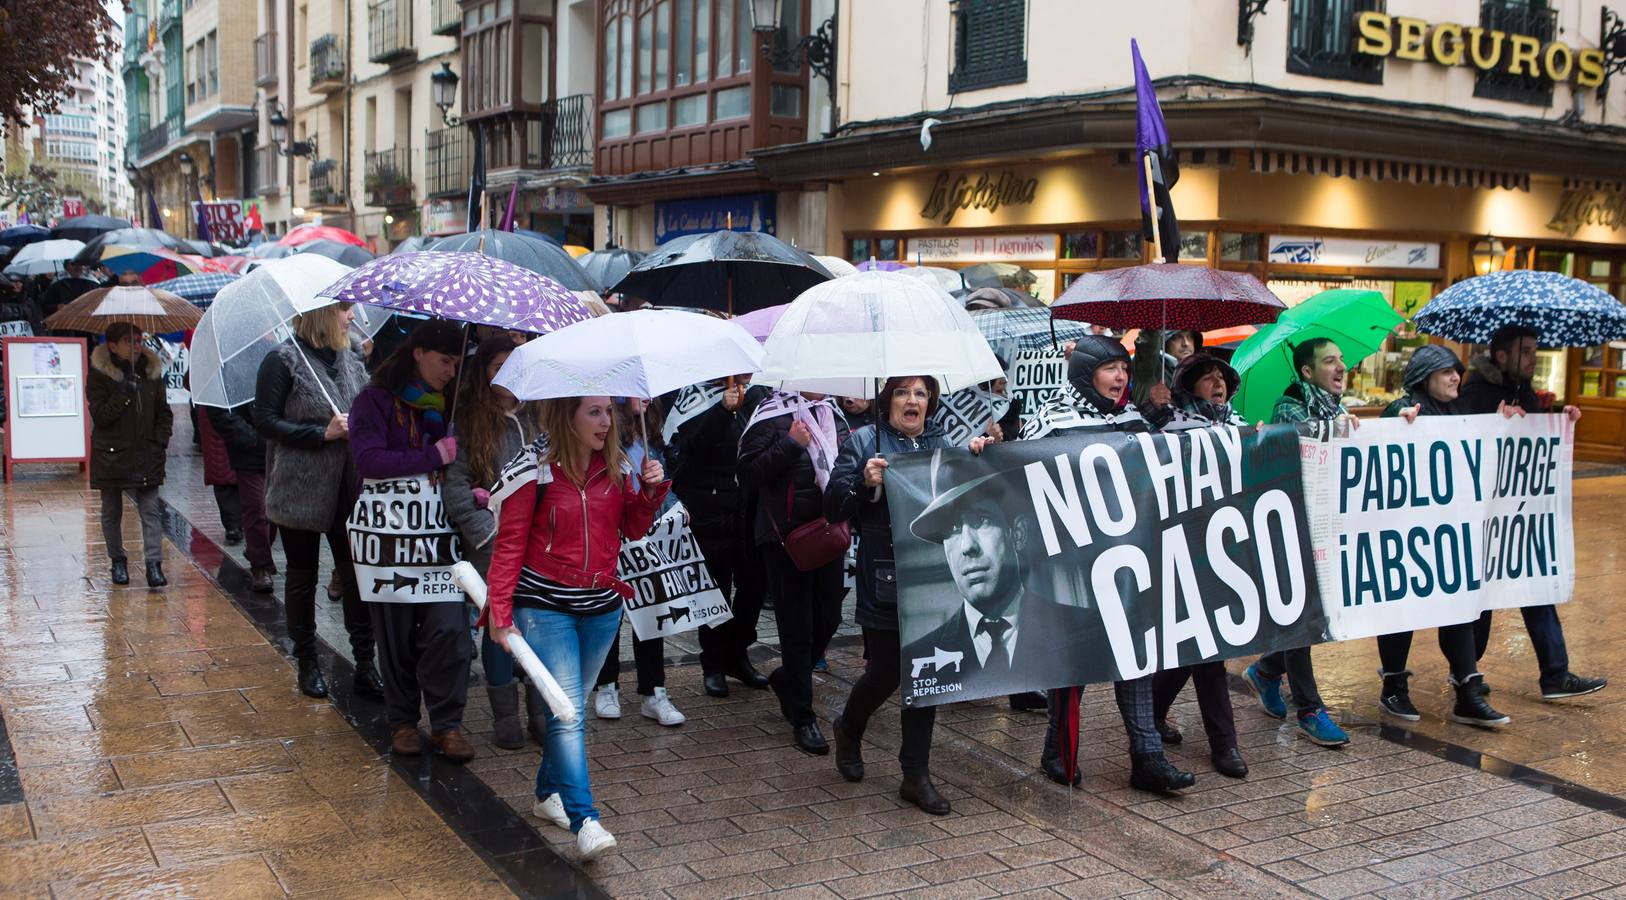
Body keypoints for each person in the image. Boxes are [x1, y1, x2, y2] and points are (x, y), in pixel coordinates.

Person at [485, 396, 669, 862]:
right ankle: (585, 820)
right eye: (594, 412)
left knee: (570, 710)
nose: (607, 421)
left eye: (609, 411)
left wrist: (648, 493)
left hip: (602, 604)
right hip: (544, 604)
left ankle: (548, 796)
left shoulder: (620, 465)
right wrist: (498, 614)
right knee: (567, 714)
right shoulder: (534, 470)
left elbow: (633, 529)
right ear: (567, 414)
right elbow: (508, 546)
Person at [1020, 334, 1195, 793]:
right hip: (1071, 568)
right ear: (1085, 372)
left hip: (1126, 565)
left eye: (1125, 368)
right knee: (1074, 664)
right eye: (1110, 368)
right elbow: (1023, 483)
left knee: (1136, 657)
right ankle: (1058, 751)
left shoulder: (1134, 420)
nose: (1121, 377)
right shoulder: (1049, 419)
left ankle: (1148, 757)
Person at [826, 375, 991, 816]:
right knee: (885, 674)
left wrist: (977, 458)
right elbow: (832, 507)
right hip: (885, 579)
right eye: (902, 392)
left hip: (937, 582)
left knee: (927, 677)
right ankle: (850, 726)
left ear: (931, 402)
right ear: (888, 400)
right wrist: (862, 481)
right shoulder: (864, 441)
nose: (912, 400)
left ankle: (915, 775)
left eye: (920, 393)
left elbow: (970, 498)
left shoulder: (944, 442)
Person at [348, 321, 473, 761]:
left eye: (457, 363)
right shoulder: (373, 401)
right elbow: (368, 460)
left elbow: (459, 467)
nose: (450, 372)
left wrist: (467, 484)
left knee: (450, 630)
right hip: (388, 543)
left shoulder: (448, 407)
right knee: (395, 634)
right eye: (444, 361)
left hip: (439, 544)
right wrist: (431, 455)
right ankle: (402, 720)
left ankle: (447, 724)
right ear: (418, 353)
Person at [1458, 324, 1604, 701]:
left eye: (1534, 351)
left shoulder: (1526, 393)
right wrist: (1496, 420)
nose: (1533, 358)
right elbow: (1463, 443)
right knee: (1480, 598)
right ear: (1501, 356)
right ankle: (1465, 672)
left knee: (1537, 587)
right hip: (1485, 516)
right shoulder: (1475, 391)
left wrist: (1561, 420)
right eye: (1525, 352)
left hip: (1521, 517)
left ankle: (1555, 674)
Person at [1374, 344, 1511, 727]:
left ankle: (1467, 689)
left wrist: (1505, 425)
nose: (1456, 378)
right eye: (1446, 372)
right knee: (1403, 606)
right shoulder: (1403, 410)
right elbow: (1383, 437)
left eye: (1458, 372)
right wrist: (1395, 421)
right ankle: (1394, 687)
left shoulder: (1459, 414)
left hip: (1450, 535)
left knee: (1461, 604)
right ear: (1424, 377)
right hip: (1407, 536)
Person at [255, 302, 381, 701]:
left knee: (356, 575)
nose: (351, 317)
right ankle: (307, 661)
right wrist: (322, 433)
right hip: (301, 487)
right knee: (303, 575)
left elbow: (367, 404)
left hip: (350, 485)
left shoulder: (352, 353)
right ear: (323, 313)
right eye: (345, 309)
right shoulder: (282, 359)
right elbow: (265, 421)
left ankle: (365, 664)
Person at [1139, 354, 1249, 778]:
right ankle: (1225, 743)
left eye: (1222, 376)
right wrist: (1154, 410)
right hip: (1180, 545)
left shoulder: (1238, 422)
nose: (1217, 382)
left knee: (1199, 644)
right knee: (1208, 648)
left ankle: (1150, 711)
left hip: (1228, 546)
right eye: (1207, 377)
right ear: (1188, 385)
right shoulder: (1169, 420)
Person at [1242, 337, 1353, 748]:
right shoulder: (1289, 406)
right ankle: (1309, 708)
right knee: (1302, 614)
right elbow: (1297, 443)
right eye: (1330, 361)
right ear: (1307, 372)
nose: (1341, 366)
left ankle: (1267, 670)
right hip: (1289, 526)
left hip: (1323, 524)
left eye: (1341, 359)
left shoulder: (1337, 407)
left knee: (1310, 614)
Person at [738, 390, 850, 755]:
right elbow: (747, 475)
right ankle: (802, 716)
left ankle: (788, 678)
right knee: (796, 628)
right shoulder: (770, 415)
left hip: (828, 531)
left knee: (830, 616)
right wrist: (789, 444)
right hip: (784, 538)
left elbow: (847, 467)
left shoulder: (833, 414)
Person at [442, 336, 541, 749]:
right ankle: (505, 714)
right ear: (483, 371)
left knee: (537, 624)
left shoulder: (541, 417)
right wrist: (486, 530)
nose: (504, 374)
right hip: (492, 543)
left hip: (538, 543)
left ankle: (540, 711)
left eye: (511, 365)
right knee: (499, 624)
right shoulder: (469, 421)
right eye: (495, 365)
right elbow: (457, 486)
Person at [668, 377, 772, 698]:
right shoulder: (693, 396)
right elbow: (690, 452)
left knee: (754, 585)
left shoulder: (758, 394)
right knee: (715, 593)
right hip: (709, 508)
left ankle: (737, 653)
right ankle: (712, 663)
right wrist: (722, 412)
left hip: (748, 509)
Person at [591, 398, 686, 727]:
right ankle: (607, 686)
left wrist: (671, 503)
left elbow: (663, 484)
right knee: (610, 616)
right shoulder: (603, 437)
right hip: (612, 536)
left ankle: (654, 690)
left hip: (647, 536)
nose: (644, 396)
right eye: (635, 390)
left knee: (652, 612)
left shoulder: (651, 436)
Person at [88, 322, 173, 588]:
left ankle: (153, 565)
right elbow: (101, 417)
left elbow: (164, 413)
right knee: (112, 511)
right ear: (112, 345)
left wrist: (159, 441)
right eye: (129, 341)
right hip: (111, 453)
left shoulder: (151, 371)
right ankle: (118, 561)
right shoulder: (99, 375)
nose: (137, 346)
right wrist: (124, 392)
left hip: (146, 452)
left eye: (139, 340)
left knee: (150, 510)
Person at [205, 400, 276, 592]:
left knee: (276, 510)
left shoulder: (279, 369)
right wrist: (251, 438)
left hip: (278, 446)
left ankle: (256, 551)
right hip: (248, 453)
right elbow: (219, 412)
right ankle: (260, 566)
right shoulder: (226, 373)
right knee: (257, 508)